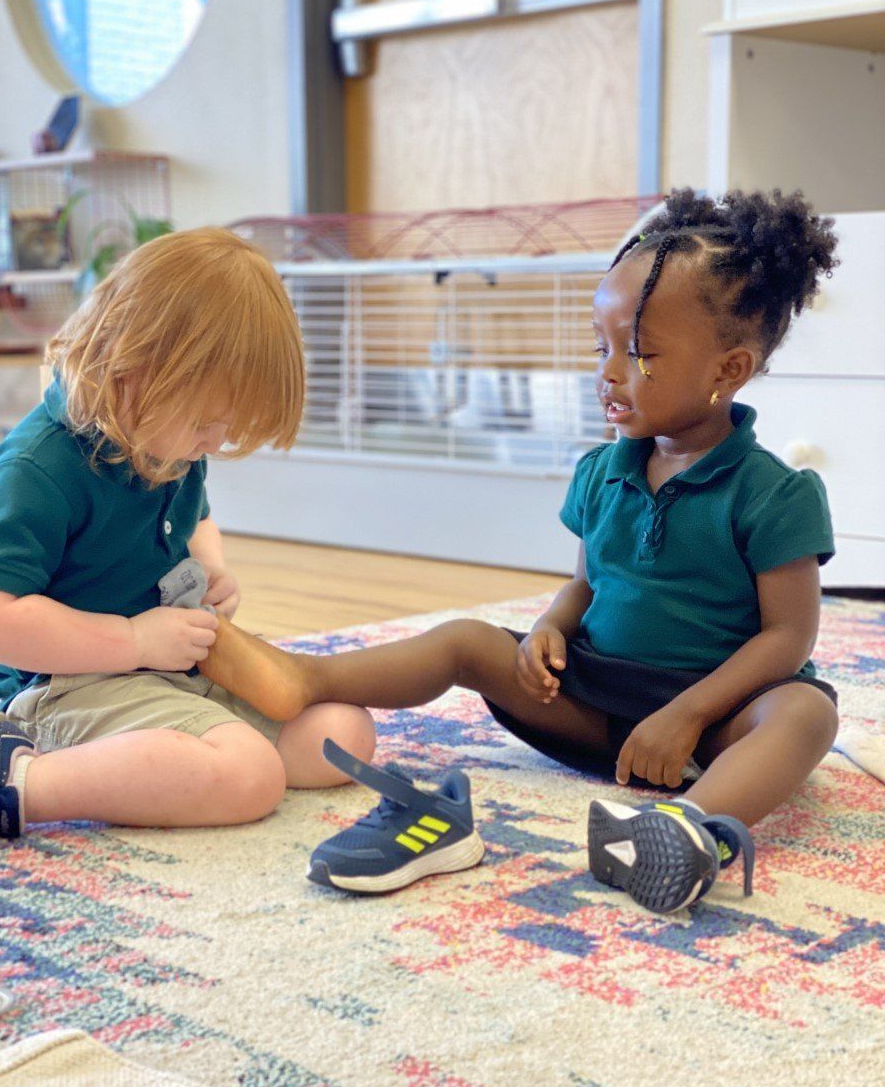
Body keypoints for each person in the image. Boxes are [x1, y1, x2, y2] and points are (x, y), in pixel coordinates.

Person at [190, 190, 842, 910]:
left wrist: (688, 715)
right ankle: (307, 679)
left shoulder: (776, 493)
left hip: (714, 724)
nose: (609, 371)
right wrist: (549, 630)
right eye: (602, 348)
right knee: (467, 641)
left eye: (640, 353)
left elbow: (789, 637)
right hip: (596, 707)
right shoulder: (603, 471)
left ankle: (686, 829)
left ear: (728, 370)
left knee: (805, 715)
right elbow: (585, 587)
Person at [0, 228, 375, 846]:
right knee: (248, 774)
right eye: (205, 424)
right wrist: (131, 639)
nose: (215, 444)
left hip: (173, 660)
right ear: (132, 373)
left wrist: (209, 565)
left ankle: (170, 756)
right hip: (68, 683)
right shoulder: (37, 470)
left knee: (341, 735)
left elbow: (198, 518)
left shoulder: (166, 442)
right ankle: (8, 782)